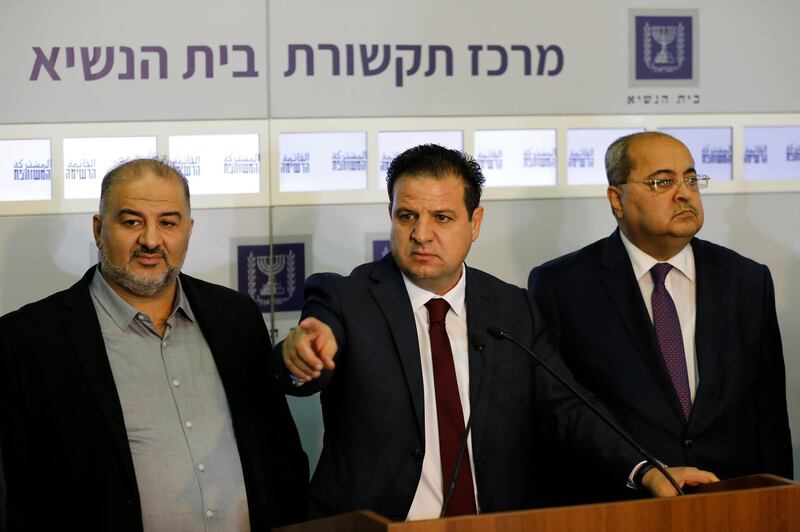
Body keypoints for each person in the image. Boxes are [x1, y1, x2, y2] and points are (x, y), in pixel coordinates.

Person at [271, 144, 716, 521]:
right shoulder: (345, 298)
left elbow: (567, 407)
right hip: (376, 526)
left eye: (442, 218)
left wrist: (646, 468)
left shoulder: (511, 307)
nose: (421, 234)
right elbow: (299, 363)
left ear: (475, 222)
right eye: (407, 216)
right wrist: (299, 357)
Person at [0, 159, 308, 531]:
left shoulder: (236, 317)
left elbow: (280, 456)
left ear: (188, 231)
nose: (150, 240)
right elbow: (22, 495)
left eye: (168, 222)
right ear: (99, 230)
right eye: (131, 221)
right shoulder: (29, 340)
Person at [529, 131, 793, 504]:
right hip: (616, 504)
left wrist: (777, 504)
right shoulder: (563, 285)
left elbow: (769, 416)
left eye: (690, 178)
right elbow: (558, 413)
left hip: (732, 503)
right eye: (663, 181)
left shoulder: (746, 280)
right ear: (616, 199)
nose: (684, 192)